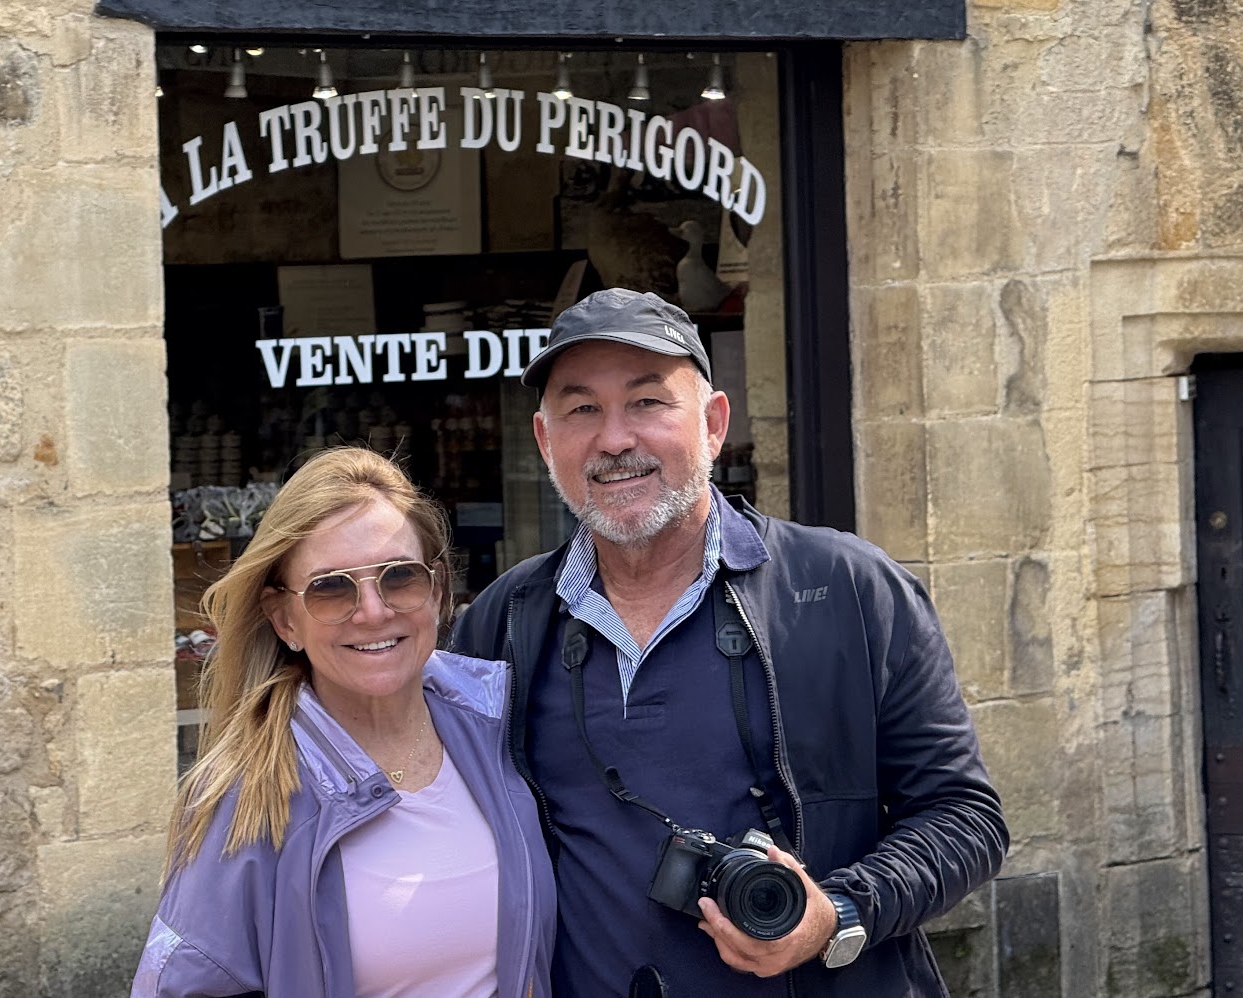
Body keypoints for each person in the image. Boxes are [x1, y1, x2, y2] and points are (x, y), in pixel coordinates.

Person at [451, 289, 1007, 997]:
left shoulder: (846, 589)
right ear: (544, 439)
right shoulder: (504, 621)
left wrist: (836, 914)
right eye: (582, 408)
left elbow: (964, 817)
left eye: (649, 402)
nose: (614, 439)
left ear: (714, 424)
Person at [134, 447, 555, 998]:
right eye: (331, 587)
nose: (373, 611)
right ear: (285, 618)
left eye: (399, 577)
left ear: (438, 592)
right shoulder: (248, 794)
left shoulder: (497, 728)